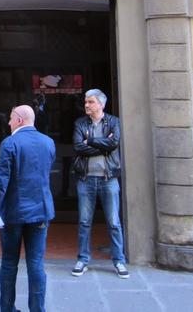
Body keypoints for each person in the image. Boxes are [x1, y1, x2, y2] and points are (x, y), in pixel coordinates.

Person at [0, 105, 56, 312]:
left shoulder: (10, 143)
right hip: (40, 211)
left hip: (14, 213)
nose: (9, 122)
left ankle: (7, 308)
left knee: (9, 263)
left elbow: (0, 182)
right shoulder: (48, 143)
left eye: (11, 119)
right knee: (36, 264)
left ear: (20, 120)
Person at [71, 89, 129, 279]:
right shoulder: (80, 123)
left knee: (113, 222)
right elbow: (79, 146)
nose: (87, 105)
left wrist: (92, 141)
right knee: (84, 221)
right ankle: (83, 259)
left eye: (91, 102)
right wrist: (102, 145)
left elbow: (114, 144)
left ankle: (119, 260)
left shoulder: (113, 122)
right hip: (86, 179)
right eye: (86, 102)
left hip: (108, 179)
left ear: (101, 104)